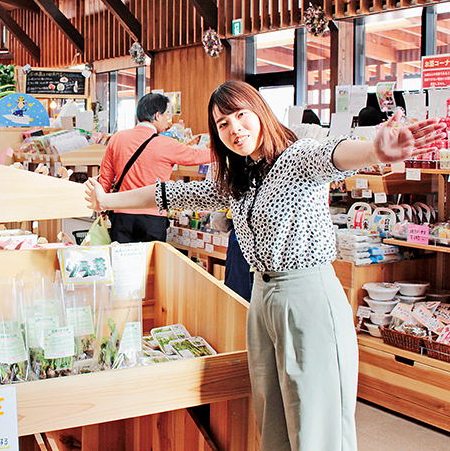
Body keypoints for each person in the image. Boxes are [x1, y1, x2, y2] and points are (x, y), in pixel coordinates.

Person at [85, 80, 445, 451]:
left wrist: (374, 149)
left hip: (308, 299)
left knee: (315, 428)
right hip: (262, 299)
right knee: (272, 424)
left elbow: (333, 155)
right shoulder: (239, 180)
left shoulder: (296, 157)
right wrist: (108, 198)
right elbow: (168, 195)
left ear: (260, 111)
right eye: (222, 123)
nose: (234, 129)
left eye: (241, 115)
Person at [97, 92, 210, 243]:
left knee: (121, 263)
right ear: (157, 116)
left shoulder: (117, 138)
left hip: (122, 215)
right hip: (153, 216)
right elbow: (196, 155)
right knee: (151, 265)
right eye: (166, 114)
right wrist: (229, 150)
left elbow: (105, 178)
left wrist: (101, 205)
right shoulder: (166, 144)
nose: (167, 119)